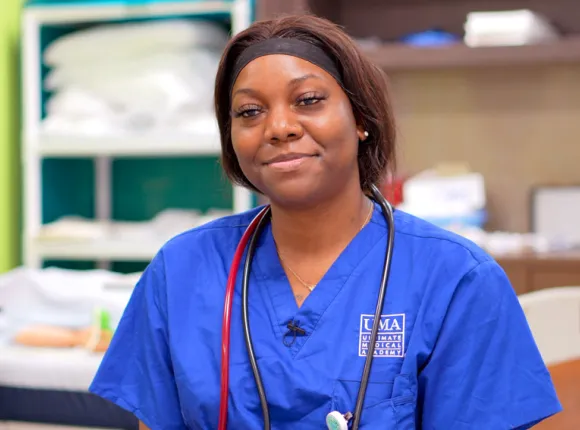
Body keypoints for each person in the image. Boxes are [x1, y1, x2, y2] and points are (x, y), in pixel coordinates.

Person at [89, 13, 562, 429]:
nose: (279, 127)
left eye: (308, 100)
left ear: (361, 118)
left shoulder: (457, 281)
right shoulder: (183, 270)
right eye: (250, 112)